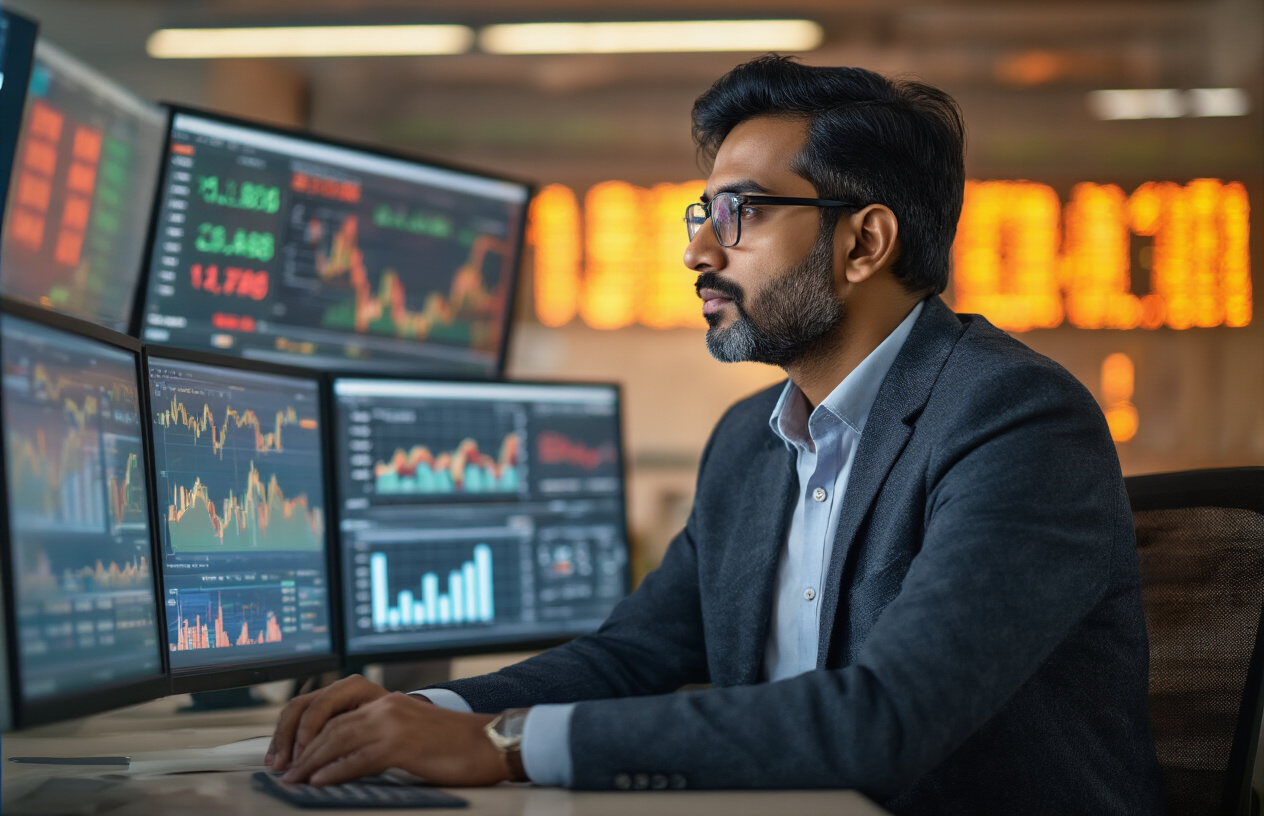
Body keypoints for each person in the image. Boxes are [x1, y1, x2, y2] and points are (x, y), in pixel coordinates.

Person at [266, 56, 1164, 814]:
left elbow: (884, 721)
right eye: (702, 217)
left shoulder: (1016, 420)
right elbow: (636, 654)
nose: (700, 253)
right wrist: (418, 710)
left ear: (864, 243)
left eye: (741, 213)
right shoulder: (749, 441)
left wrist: (499, 744)